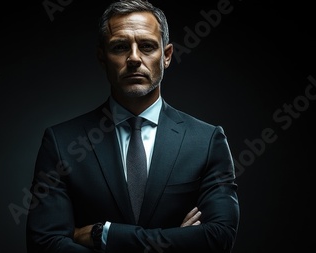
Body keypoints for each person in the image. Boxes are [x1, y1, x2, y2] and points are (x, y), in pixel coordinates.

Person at [25, 0, 240, 252]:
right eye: (120, 47)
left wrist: (104, 234)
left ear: (167, 56)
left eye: (147, 46)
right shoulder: (61, 142)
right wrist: (178, 242)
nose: (134, 58)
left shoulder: (206, 141)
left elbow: (219, 237)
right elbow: (45, 244)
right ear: (102, 57)